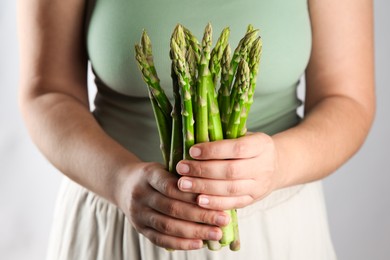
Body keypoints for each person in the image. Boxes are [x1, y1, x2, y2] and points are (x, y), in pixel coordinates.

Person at [17, 0, 375, 259]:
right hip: (117, 221)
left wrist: (279, 163)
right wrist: (119, 180)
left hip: (275, 229)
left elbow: (347, 100)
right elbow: (47, 91)